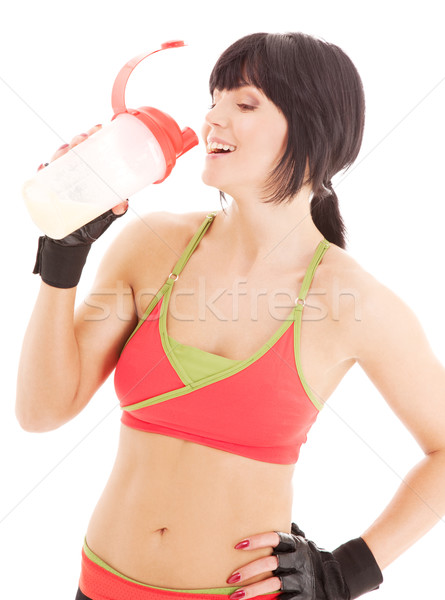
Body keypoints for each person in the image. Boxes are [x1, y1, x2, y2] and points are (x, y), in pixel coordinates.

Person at [16, 31, 445, 600]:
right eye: (214, 99)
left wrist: (346, 572)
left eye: (244, 103)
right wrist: (61, 262)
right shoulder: (152, 248)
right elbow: (41, 412)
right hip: (100, 586)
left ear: (314, 134)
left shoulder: (353, 301)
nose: (214, 118)